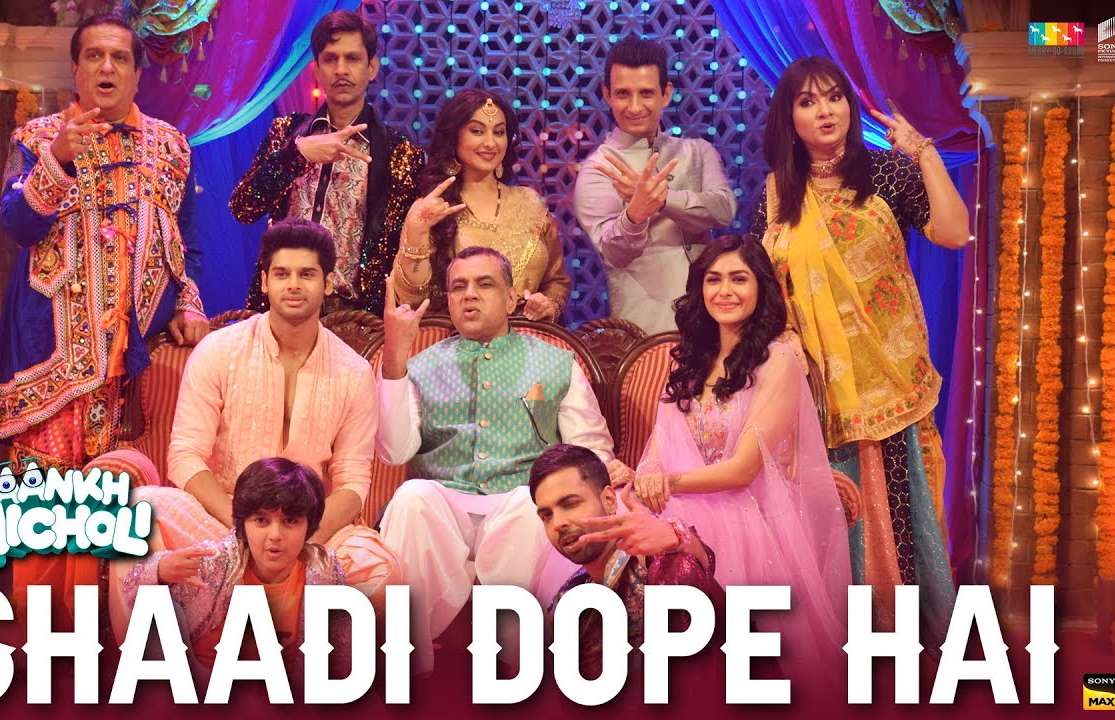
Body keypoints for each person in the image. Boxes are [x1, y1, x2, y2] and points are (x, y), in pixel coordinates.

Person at [0, 13, 209, 628]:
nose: (106, 67)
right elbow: (16, 226)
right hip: (50, 357)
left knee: (112, 501)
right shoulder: (38, 137)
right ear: (76, 69)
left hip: (128, 363)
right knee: (45, 501)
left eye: (119, 57)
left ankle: (103, 631)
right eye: (94, 56)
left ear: (138, 73)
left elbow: (186, 242)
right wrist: (59, 160)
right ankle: (43, 633)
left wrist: (188, 303)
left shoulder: (170, 147)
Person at [747, 56, 967, 642]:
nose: (825, 111)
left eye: (834, 97)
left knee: (899, 512)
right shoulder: (776, 195)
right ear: (789, 119)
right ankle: (844, 642)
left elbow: (953, 232)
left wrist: (924, 154)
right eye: (808, 102)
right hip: (816, 389)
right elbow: (759, 287)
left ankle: (910, 641)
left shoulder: (886, 174)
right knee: (832, 514)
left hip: (892, 380)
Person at [123, 219, 400, 622]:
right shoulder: (219, 351)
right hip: (223, 521)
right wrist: (241, 526)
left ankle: (311, 652)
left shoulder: (353, 371)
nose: (294, 285)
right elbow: (185, 457)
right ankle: (161, 650)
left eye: (307, 274)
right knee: (141, 509)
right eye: (282, 274)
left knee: (382, 570)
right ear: (265, 282)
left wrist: (300, 536)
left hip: (310, 530)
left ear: (327, 283)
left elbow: (353, 482)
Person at [376, 246, 619, 674]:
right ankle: (408, 664)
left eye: (484, 284)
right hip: (444, 503)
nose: (469, 294)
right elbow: (394, 451)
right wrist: (394, 359)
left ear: (510, 299)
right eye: (458, 287)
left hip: (517, 500)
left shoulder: (556, 363)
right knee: (411, 497)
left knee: (534, 503)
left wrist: (608, 481)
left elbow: (590, 450)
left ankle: (520, 663)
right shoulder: (419, 366)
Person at [632, 235, 851, 679]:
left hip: (747, 514)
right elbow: (660, 440)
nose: (725, 291)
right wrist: (650, 470)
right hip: (678, 505)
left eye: (739, 279)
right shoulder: (690, 359)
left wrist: (667, 482)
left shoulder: (778, 361)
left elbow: (743, 469)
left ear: (760, 288)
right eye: (713, 280)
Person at [231, 10, 423, 314]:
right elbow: (242, 208)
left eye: (353, 58)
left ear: (372, 67)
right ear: (317, 70)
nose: (341, 70)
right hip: (278, 306)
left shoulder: (401, 153)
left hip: (354, 318)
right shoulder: (287, 133)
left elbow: (401, 251)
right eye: (331, 59)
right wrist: (296, 156)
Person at [121, 457, 350, 682]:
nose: (275, 535)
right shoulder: (217, 562)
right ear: (244, 524)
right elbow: (132, 597)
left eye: (290, 521)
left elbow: (340, 660)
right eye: (261, 521)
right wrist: (158, 569)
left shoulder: (324, 571)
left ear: (309, 526)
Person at [573, 34, 737, 334]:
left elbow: (724, 210)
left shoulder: (698, 151)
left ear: (666, 94)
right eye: (623, 94)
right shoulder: (599, 169)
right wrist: (635, 216)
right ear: (607, 95)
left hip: (714, 321)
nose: (635, 106)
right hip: (645, 330)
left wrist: (662, 200)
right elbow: (614, 253)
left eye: (646, 93)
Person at [532, 444, 724, 681]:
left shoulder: (662, 567)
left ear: (609, 500)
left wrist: (677, 534)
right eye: (547, 515)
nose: (558, 523)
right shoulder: (569, 598)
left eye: (570, 504)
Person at [390, 89, 571, 322]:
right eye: (477, 131)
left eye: (499, 132)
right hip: (455, 339)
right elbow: (412, 300)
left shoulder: (530, 203)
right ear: (454, 138)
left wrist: (548, 304)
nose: (490, 143)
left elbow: (557, 281)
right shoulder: (432, 208)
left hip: (527, 339)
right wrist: (417, 232)